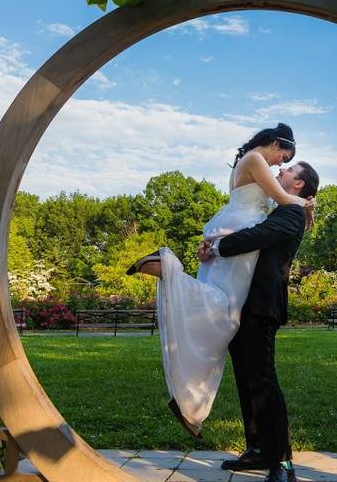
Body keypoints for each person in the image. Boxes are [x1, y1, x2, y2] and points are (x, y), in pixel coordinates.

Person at [127, 123, 315, 441]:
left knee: (222, 309)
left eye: (288, 163)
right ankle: (170, 271)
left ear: (299, 181)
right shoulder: (258, 163)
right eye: (284, 156)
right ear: (275, 143)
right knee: (225, 309)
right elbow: (280, 200)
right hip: (240, 231)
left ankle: (265, 451)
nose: (281, 164)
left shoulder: (255, 169)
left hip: (235, 232)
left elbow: (272, 216)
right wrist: (307, 204)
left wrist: (216, 243)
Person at [202, 160, 318, 482]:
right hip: (242, 304)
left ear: (299, 184)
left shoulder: (290, 214)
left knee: (263, 384)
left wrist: (218, 246)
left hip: (262, 308)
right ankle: (256, 449)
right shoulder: (279, 207)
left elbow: (258, 236)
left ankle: (282, 463)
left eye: (288, 170)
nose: (280, 171)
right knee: (247, 382)